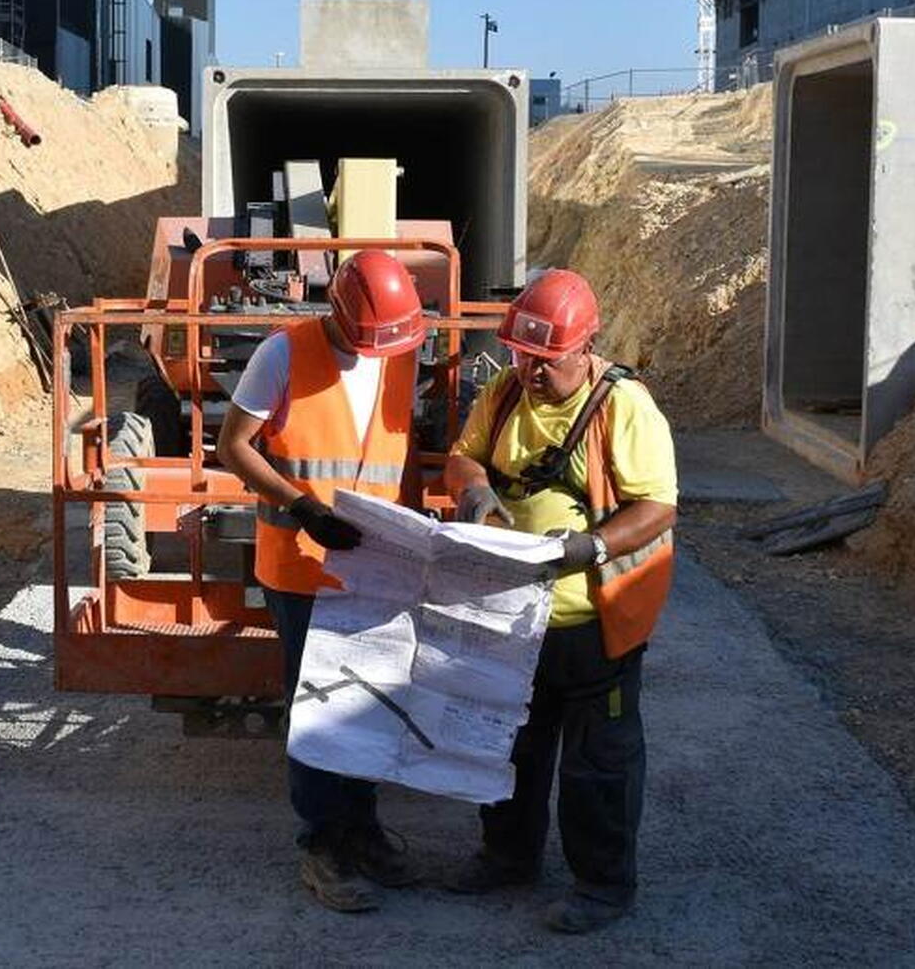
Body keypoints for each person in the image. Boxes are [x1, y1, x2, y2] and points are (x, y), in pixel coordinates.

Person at [441, 268, 677, 934]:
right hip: (513, 614)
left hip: (593, 621)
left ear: (585, 346)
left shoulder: (623, 406)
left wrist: (589, 548)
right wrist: (479, 497)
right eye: (520, 354)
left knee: (596, 762)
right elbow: (464, 456)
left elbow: (658, 505)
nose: (530, 370)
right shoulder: (505, 390)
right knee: (510, 744)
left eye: (545, 359)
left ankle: (602, 885)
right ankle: (508, 853)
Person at [217, 248, 425, 914]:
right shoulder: (282, 355)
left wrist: (419, 536)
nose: (374, 352)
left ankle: (359, 828)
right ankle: (323, 843)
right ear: (337, 315)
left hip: (375, 560)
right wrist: (302, 503)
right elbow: (234, 445)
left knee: (367, 699)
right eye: (365, 339)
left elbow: (399, 450)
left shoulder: (397, 349)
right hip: (301, 560)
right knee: (318, 704)